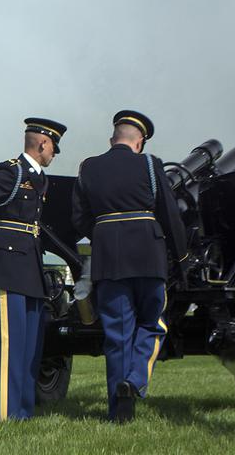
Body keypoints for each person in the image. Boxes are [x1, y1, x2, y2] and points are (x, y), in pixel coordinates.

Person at [71, 110, 187, 423]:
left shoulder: (88, 167)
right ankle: (135, 380)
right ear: (139, 143)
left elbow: (79, 218)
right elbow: (169, 214)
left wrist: (102, 235)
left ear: (113, 139)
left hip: (108, 261)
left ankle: (119, 413)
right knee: (152, 324)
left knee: (117, 335)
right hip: (149, 257)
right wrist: (183, 258)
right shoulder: (151, 164)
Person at [0, 117, 67, 421]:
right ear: (43, 143)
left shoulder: (38, 176)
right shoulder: (13, 172)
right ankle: (5, 414)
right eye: (54, 148)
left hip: (30, 262)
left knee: (31, 343)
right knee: (9, 342)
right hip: (8, 262)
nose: (54, 154)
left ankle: (23, 411)